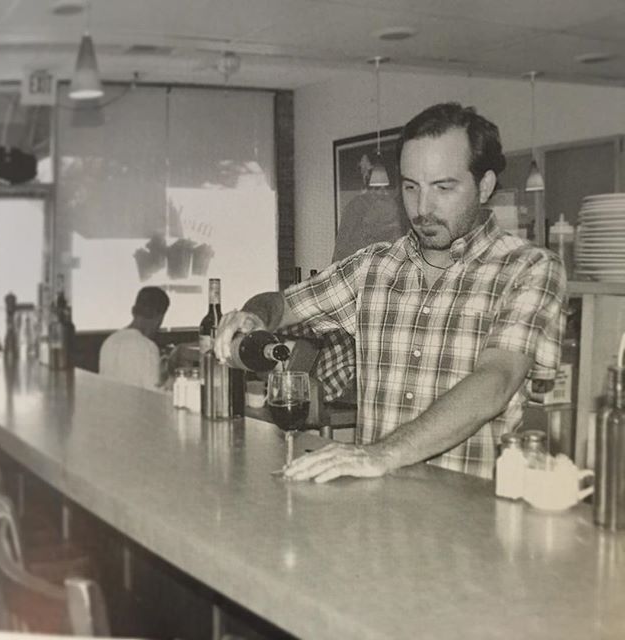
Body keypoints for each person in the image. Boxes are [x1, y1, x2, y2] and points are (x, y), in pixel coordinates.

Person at [215, 102, 566, 483]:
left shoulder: (529, 268)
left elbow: (495, 381)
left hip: (470, 523)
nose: (423, 208)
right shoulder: (373, 267)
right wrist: (254, 316)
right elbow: (282, 305)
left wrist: (381, 455)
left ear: (484, 186)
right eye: (411, 187)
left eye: (443, 187)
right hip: (376, 514)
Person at [99, 286, 170, 389]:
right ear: (158, 316)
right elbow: (155, 394)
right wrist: (171, 380)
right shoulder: (147, 347)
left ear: (135, 311)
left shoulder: (109, 341)